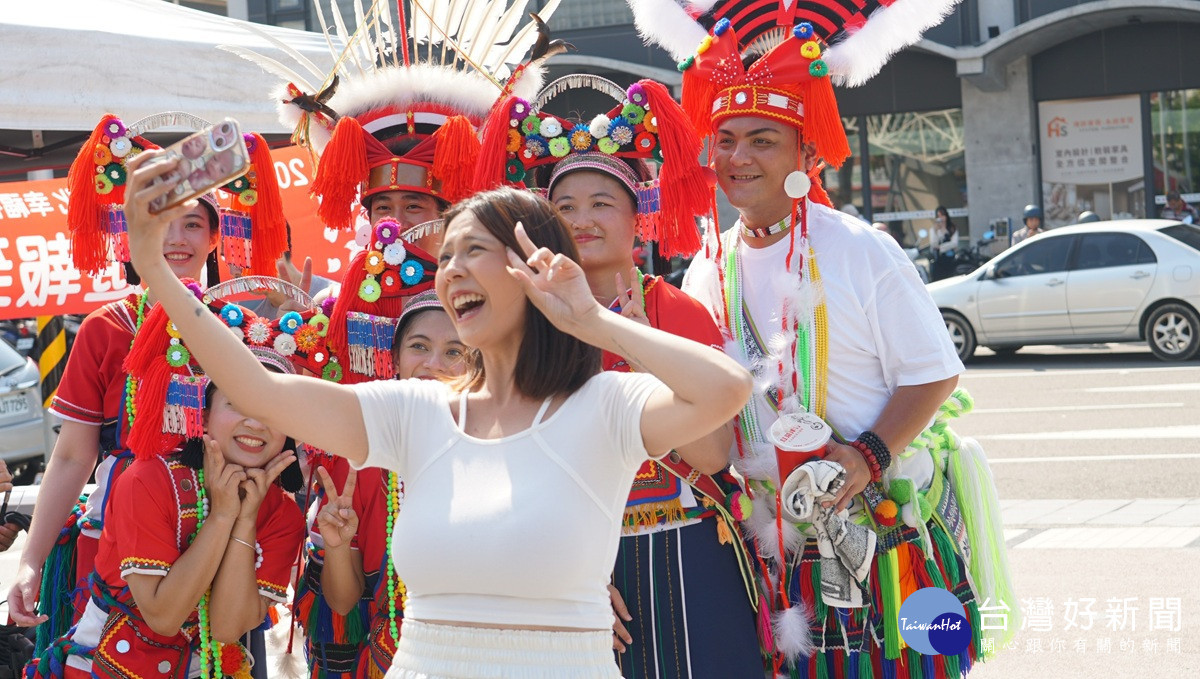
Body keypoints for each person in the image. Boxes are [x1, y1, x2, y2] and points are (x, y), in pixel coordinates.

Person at [125, 132, 752, 679]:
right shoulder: (417, 411)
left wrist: (591, 318)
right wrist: (155, 267)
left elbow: (725, 390)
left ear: (532, 266)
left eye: (472, 251)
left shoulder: (606, 406)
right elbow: (263, 393)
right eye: (445, 256)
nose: (449, 271)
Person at [637, 4, 1014, 676]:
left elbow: (933, 373)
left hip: (877, 524)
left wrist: (866, 456)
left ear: (805, 151)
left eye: (762, 139)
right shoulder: (705, 266)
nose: (738, 157)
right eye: (725, 138)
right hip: (769, 545)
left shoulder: (860, 249)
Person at [478, 75, 761, 676]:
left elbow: (711, 455)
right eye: (565, 207)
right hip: (566, 556)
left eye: (601, 203)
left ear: (642, 214)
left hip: (686, 545)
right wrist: (564, 577)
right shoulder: (524, 327)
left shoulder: (676, 312)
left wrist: (638, 356)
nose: (582, 220)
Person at [7, 113, 287, 651]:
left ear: (216, 237)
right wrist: (31, 560)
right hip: (120, 541)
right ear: (132, 230)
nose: (176, 239)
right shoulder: (105, 329)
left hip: (222, 537)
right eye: (160, 221)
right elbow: (71, 457)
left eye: (193, 224)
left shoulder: (245, 333)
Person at [27, 312, 307, 679]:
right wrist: (223, 516)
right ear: (203, 415)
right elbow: (163, 616)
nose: (255, 423)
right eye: (237, 402)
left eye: (271, 407)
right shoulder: (147, 481)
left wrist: (244, 517)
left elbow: (226, 627)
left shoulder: (281, 514)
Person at [303, 290, 468, 679]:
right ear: (394, 359)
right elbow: (343, 603)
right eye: (419, 346)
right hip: (390, 657)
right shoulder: (362, 457)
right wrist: (339, 546)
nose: (433, 364)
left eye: (454, 352)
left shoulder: (497, 447)